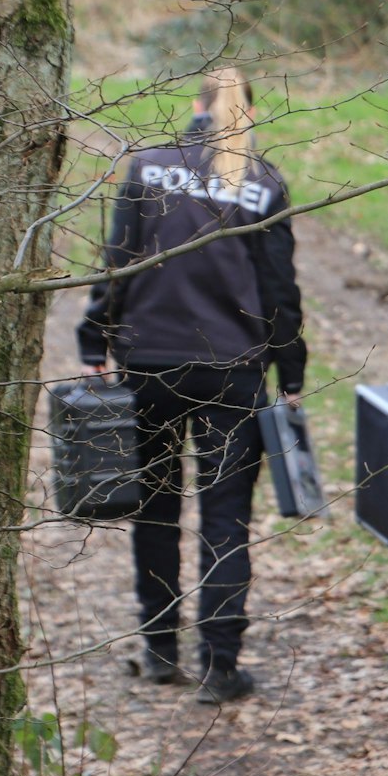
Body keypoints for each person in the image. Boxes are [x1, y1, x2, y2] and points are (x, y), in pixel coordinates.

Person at [78, 67, 305, 705]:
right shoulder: (261, 183)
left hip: (148, 362)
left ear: (195, 105)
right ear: (249, 116)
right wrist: (291, 373)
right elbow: (279, 292)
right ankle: (220, 665)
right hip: (231, 370)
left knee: (154, 507)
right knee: (224, 517)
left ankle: (157, 651)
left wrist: (95, 339)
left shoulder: (147, 167)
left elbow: (118, 262)